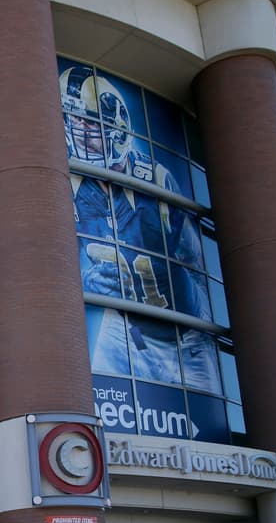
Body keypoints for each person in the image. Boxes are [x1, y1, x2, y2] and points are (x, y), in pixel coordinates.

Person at [61, 64, 220, 393]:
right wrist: (85, 282)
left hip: (183, 337)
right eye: (72, 119)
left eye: (88, 121)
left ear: (117, 126)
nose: (79, 131)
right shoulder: (71, 187)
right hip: (122, 332)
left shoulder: (155, 181)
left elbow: (197, 265)